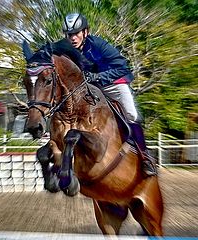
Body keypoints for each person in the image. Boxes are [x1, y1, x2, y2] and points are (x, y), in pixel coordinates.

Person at [62, 13, 157, 177]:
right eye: (69, 34)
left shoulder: (99, 44)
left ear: (85, 32)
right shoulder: (68, 51)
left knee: (132, 114)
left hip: (115, 84)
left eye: (76, 33)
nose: (72, 38)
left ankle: (145, 156)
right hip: (92, 89)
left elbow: (123, 68)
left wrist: (98, 77)